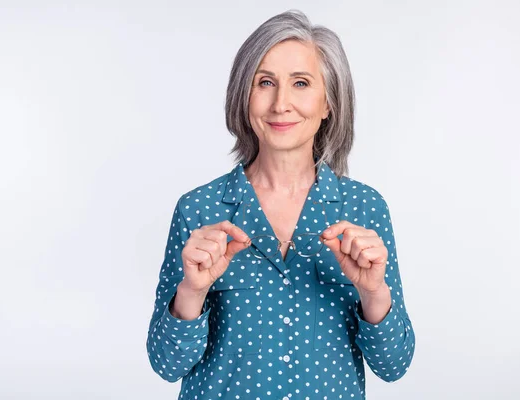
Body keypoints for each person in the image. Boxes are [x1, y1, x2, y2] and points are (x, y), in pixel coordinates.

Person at [146, 10, 415, 399]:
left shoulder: (364, 208)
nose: (280, 103)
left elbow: (394, 366)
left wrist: (374, 293)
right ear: (244, 95)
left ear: (328, 103)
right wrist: (191, 291)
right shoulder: (200, 209)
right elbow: (166, 364)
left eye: (301, 83)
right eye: (265, 82)